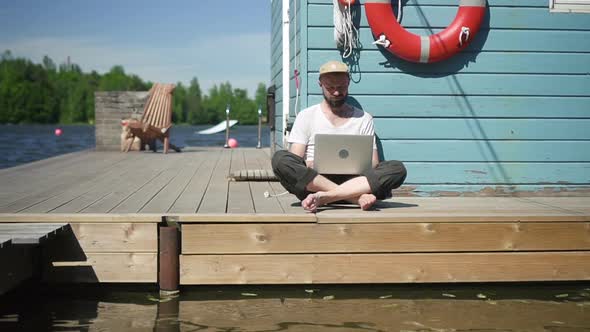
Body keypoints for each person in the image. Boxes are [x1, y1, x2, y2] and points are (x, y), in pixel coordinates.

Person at [271, 60, 407, 212]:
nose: (336, 92)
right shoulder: (306, 116)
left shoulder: (364, 118)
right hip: (315, 181)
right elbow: (295, 158)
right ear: (320, 84)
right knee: (280, 160)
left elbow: (373, 163)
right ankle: (353, 198)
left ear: (348, 83)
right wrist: (310, 163)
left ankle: (326, 197)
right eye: (330, 88)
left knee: (397, 169)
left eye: (341, 87)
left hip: (356, 181)